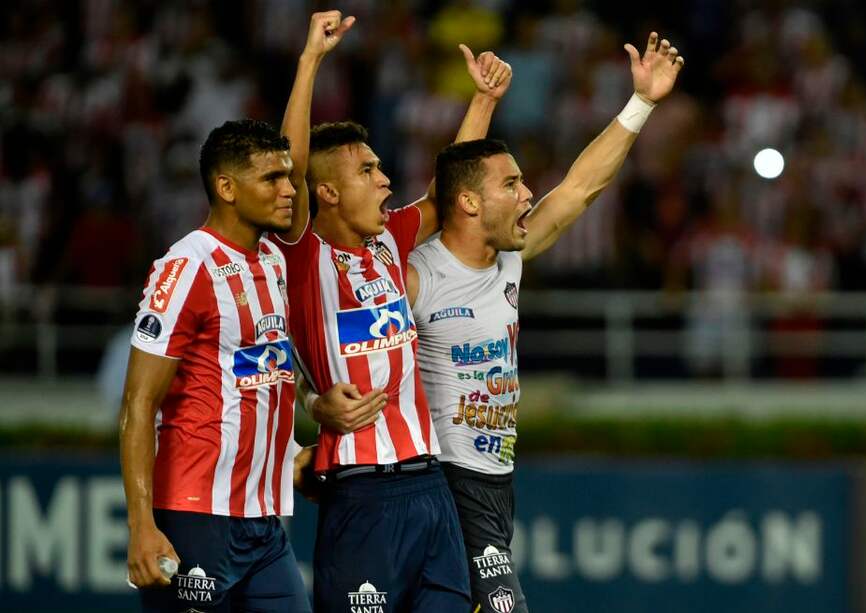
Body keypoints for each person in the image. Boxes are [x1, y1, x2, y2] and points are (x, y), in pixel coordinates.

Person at [407, 32, 685, 613]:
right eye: (512, 184)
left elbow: (583, 187)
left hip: (495, 480)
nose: (529, 194)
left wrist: (642, 104)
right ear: (471, 205)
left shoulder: (509, 257)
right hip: (442, 478)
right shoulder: (418, 275)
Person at [271, 10, 511, 613]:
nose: (384, 181)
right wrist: (309, 62)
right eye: (368, 171)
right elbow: (291, 169)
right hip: (361, 494)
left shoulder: (389, 239)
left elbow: (444, 192)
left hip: (430, 487)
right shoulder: (303, 255)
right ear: (325, 192)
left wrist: (482, 102)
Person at [119, 117, 313, 612]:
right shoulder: (186, 268)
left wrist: (291, 447)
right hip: (195, 518)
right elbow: (139, 404)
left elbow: (257, 375)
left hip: (265, 522)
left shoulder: (272, 260)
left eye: (288, 176)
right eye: (272, 178)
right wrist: (142, 526)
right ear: (226, 187)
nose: (289, 189)